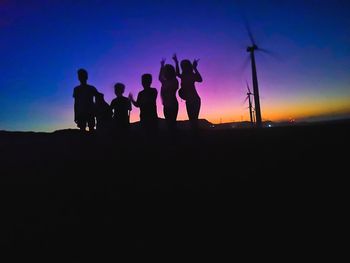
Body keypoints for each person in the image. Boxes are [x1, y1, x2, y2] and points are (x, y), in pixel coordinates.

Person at [173, 54, 203, 130]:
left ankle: (195, 137)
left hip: (193, 100)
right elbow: (200, 79)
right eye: (181, 66)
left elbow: (200, 79)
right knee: (193, 120)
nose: (182, 67)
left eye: (182, 66)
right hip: (193, 99)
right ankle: (196, 137)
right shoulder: (187, 75)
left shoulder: (186, 75)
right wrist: (195, 68)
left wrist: (176, 62)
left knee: (193, 121)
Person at [159, 58, 179, 131]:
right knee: (169, 124)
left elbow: (160, 78)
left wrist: (176, 62)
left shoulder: (173, 81)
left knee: (172, 124)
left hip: (172, 104)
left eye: (166, 71)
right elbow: (160, 77)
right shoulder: (165, 81)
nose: (164, 73)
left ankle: (174, 139)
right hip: (167, 105)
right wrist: (162, 66)